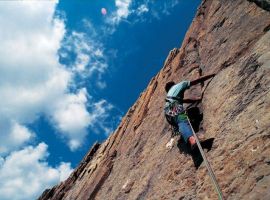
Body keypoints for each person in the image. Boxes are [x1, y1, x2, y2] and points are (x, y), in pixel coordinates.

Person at [164, 74, 215, 150]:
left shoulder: (170, 95)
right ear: (173, 84)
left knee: (179, 122)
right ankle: (192, 141)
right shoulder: (179, 85)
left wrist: (196, 100)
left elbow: (185, 100)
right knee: (182, 121)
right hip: (175, 108)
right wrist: (211, 75)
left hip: (168, 114)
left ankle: (186, 137)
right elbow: (197, 81)